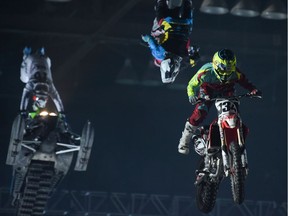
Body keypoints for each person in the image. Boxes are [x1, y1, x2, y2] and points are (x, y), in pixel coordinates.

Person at [178, 49, 262, 154]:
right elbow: (192, 84)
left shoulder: (236, 73)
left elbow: (246, 82)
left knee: (234, 115)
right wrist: (192, 95)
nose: (227, 71)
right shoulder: (206, 71)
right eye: (224, 68)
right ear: (216, 64)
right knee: (199, 114)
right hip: (207, 91)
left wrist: (253, 90)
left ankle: (233, 138)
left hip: (227, 91)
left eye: (230, 68)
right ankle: (184, 142)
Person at [141, 0, 200, 83]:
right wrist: (146, 39)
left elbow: (195, 59)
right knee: (160, 14)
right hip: (169, 23)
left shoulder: (184, 61)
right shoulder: (159, 54)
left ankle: (188, 4)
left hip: (186, 25)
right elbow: (150, 39)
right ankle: (160, 3)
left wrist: (195, 52)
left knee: (188, 10)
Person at [19, 47, 65, 117]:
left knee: (47, 63)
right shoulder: (31, 83)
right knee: (24, 79)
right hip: (31, 59)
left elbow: (57, 99)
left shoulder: (49, 85)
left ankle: (40, 54)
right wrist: (22, 110)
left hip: (45, 59)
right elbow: (25, 97)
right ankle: (26, 55)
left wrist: (62, 112)